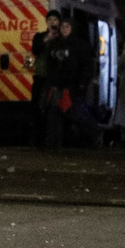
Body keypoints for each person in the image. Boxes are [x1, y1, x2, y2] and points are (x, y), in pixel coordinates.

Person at [43, 17, 99, 149]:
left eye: (67, 26)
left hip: (73, 86)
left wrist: (82, 83)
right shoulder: (56, 44)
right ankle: (53, 143)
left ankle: (91, 138)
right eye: (62, 26)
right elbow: (50, 64)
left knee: (75, 114)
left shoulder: (80, 45)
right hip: (57, 85)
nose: (64, 29)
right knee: (54, 114)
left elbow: (87, 66)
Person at [31, 10, 62, 146]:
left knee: (54, 109)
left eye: (55, 20)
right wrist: (47, 39)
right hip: (41, 76)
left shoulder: (62, 38)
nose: (52, 22)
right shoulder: (40, 36)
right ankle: (38, 139)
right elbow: (35, 49)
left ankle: (53, 139)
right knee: (37, 107)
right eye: (50, 20)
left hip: (55, 78)